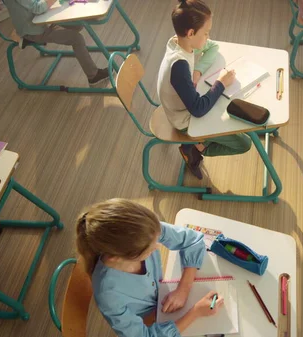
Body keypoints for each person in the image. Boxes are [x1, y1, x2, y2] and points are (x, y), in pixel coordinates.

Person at [75, 198, 224, 336]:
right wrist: (195, 313)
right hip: (148, 321)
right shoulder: (108, 294)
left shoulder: (144, 231)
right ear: (117, 257)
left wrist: (184, 289)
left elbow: (193, 240)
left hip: (164, 298)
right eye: (149, 250)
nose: (158, 246)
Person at [157, 0, 252, 180]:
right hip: (185, 121)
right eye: (206, 33)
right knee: (244, 144)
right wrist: (221, 83)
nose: (208, 37)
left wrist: (198, 69)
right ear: (191, 33)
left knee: (228, 105)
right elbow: (199, 109)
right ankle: (195, 148)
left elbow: (212, 47)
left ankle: (200, 142)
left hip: (186, 105)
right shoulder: (179, 66)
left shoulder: (178, 42)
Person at [3, 0, 110, 87]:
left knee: (78, 25)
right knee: (77, 39)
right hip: (35, 31)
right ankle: (93, 76)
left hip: (44, 20)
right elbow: (37, 8)